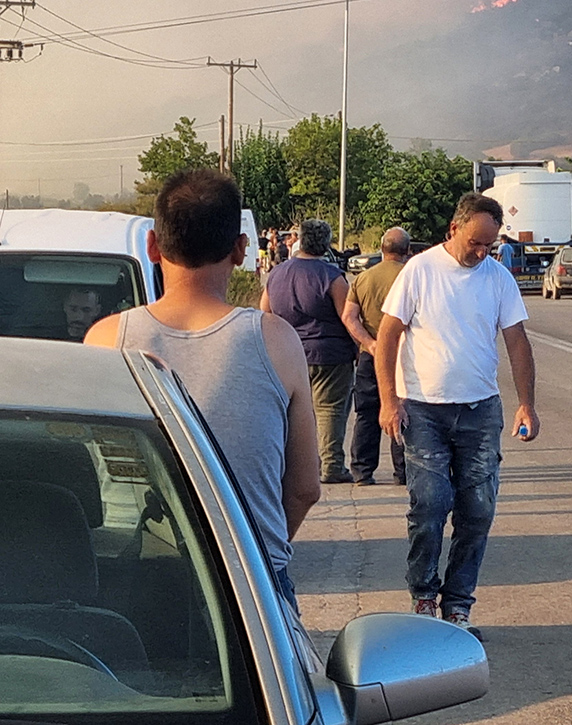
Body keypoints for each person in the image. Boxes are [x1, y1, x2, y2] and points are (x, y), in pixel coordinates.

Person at [85, 168, 320, 610]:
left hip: (135, 578)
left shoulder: (104, 340)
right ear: (240, 249)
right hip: (248, 583)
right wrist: (249, 552)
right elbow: (305, 486)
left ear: (153, 246)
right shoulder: (277, 341)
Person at [376, 192, 539, 635]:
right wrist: (390, 401)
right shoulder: (420, 270)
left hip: (480, 410)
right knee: (430, 503)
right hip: (424, 411)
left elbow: (517, 342)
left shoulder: (497, 278)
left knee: (478, 509)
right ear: (454, 229)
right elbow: (388, 337)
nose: (482, 252)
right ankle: (424, 597)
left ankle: (458, 607)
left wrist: (526, 402)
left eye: (490, 245)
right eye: (475, 243)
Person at [260, 219, 357, 483]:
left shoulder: (277, 273)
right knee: (330, 410)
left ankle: (293, 466)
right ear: (326, 244)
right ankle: (332, 465)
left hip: (288, 353)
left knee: (293, 412)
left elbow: (264, 313)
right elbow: (347, 317)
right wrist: (361, 347)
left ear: (300, 240)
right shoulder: (333, 278)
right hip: (330, 354)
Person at [342, 227, 411, 486]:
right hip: (404, 354)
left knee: (367, 412)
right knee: (401, 410)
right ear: (407, 250)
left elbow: (349, 317)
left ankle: (362, 471)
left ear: (382, 248)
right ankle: (402, 471)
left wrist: (370, 343)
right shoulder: (410, 277)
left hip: (370, 355)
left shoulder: (363, 278)